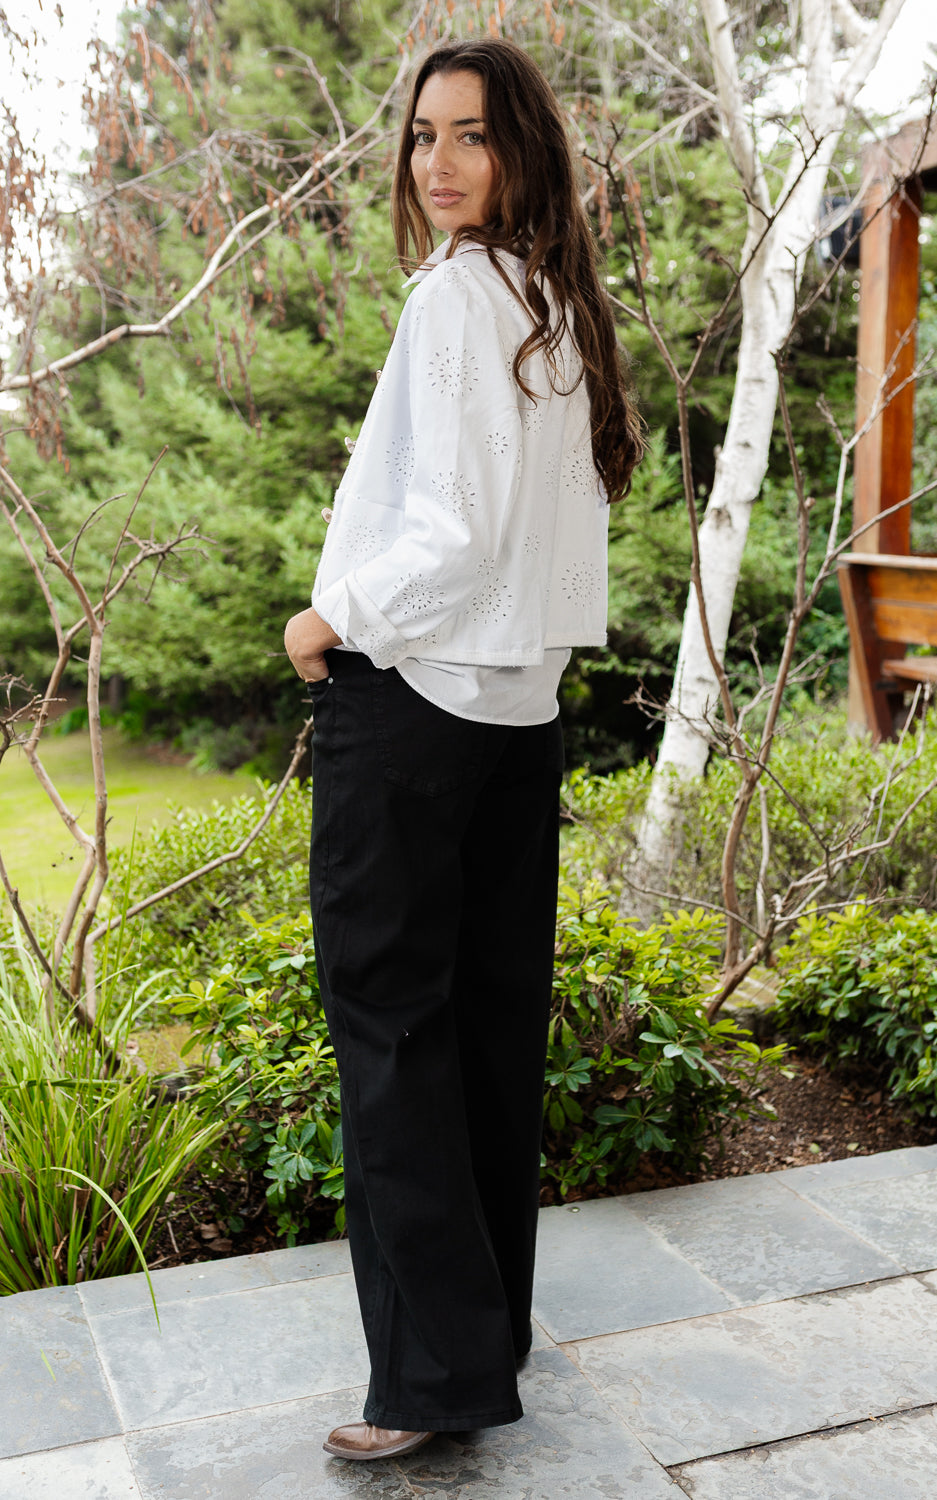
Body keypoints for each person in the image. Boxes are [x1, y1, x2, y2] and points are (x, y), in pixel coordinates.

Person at [283, 36, 643, 1463]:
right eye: (423, 135)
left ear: (521, 151)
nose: (437, 162)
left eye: (471, 135)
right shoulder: (552, 302)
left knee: (391, 1035)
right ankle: (482, 1343)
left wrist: (331, 618)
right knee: (487, 1029)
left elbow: (456, 533)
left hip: (416, 699)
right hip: (515, 717)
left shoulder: (456, 300)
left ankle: (430, 1382)